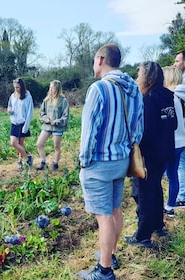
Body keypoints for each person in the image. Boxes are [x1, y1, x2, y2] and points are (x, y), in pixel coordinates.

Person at [78, 44, 144, 280]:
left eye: (94, 59)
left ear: (101, 59)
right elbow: (138, 127)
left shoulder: (99, 89)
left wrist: (84, 162)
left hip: (99, 162)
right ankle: (110, 254)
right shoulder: (133, 88)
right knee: (115, 210)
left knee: (104, 216)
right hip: (122, 160)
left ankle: (104, 271)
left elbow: (89, 131)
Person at [124, 62, 177, 248]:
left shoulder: (147, 98)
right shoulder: (168, 96)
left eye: (139, 73)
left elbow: (145, 130)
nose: (137, 77)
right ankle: (157, 225)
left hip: (149, 153)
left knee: (143, 193)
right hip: (165, 151)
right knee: (155, 188)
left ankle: (142, 235)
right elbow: (174, 123)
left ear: (147, 76)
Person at [162, 66, 185, 216]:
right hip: (182, 140)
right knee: (174, 175)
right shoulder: (182, 96)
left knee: (168, 175)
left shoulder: (171, 97)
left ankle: (169, 206)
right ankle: (171, 205)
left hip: (172, 142)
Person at [36, 80, 69, 171]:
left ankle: (55, 163)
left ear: (57, 88)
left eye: (52, 88)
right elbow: (41, 113)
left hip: (58, 127)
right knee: (39, 144)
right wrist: (45, 119)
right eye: (50, 88)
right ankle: (43, 161)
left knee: (56, 146)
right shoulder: (46, 100)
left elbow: (65, 116)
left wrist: (57, 121)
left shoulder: (63, 100)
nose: (50, 89)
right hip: (47, 126)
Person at [7, 78, 34, 170]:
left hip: (23, 122)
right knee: (13, 143)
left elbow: (30, 112)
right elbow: (9, 106)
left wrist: (26, 125)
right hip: (14, 122)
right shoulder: (12, 96)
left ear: (22, 87)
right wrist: (9, 110)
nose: (16, 89)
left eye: (18, 87)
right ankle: (27, 158)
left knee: (20, 144)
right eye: (15, 87)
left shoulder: (27, 96)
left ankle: (20, 161)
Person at [173, 50, 185, 208]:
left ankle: (182, 196)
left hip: (182, 134)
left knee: (181, 165)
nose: (175, 64)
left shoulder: (180, 87)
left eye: (177, 61)